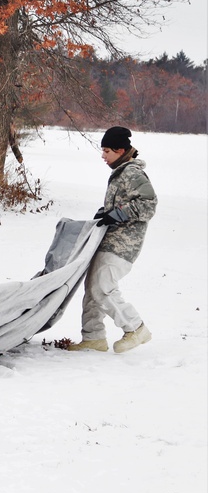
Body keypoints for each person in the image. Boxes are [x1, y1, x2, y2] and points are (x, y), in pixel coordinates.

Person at [69, 126, 157, 353]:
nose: (103, 155)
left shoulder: (133, 173)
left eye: (107, 151)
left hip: (123, 244)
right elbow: (122, 203)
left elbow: (148, 205)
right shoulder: (120, 172)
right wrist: (105, 212)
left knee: (102, 287)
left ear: (120, 150)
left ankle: (136, 328)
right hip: (109, 240)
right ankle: (93, 338)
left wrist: (117, 214)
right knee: (92, 288)